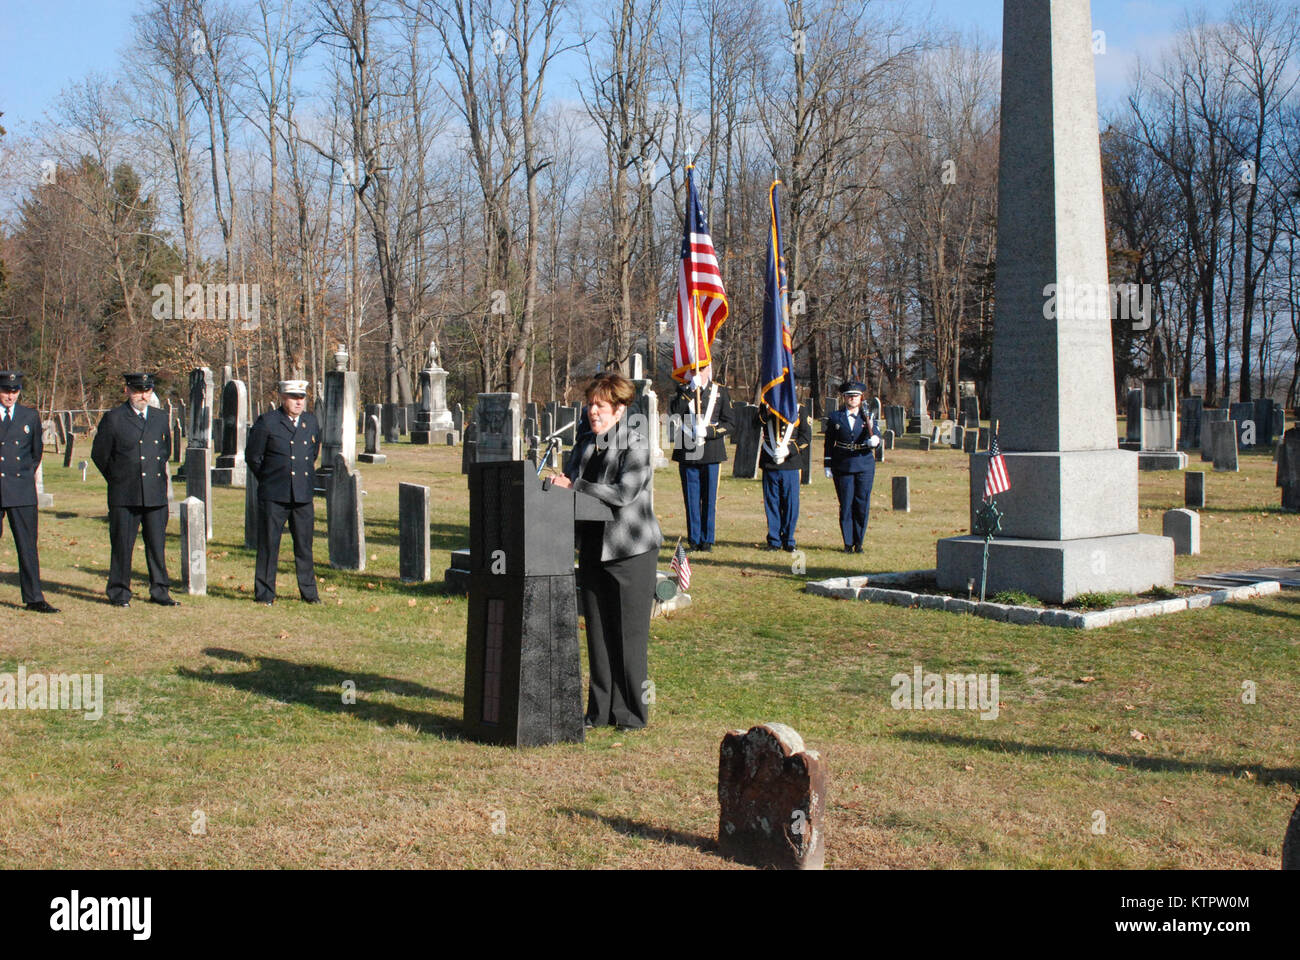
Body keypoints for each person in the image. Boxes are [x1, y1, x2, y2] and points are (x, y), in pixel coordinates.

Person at [551, 373, 661, 731]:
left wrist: (576, 485)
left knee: (628, 638)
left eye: (599, 405)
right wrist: (555, 487)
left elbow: (622, 494)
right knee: (598, 636)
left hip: (630, 552)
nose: (592, 411)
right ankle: (599, 712)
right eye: (590, 404)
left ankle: (631, 714)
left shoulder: (637, 442)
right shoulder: (584, 442)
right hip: (593, 549)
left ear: (620, 408)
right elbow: (568, 486)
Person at [91, 372, 178, 607]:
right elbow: (100, 454)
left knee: (156, 545)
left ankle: (160, 591)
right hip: (125, 494)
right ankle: (119, 592)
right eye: (138, 390)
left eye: (147, 390)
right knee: (122, 545)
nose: (143, 395)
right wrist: (118, 478)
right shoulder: (114, 418)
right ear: (127, 390)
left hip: (154, 492)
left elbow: (164, 452)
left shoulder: (160, 417)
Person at [245, 380, 322, 605]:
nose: (298, 402)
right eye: (293, 397)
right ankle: (265, 594)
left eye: (301, 397)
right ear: (282, 397)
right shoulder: (267, 422)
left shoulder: (310, 422)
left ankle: (309, 593)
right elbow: (253, 457)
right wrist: (271, 478)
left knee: (305, 547)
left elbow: (312, 454)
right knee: (269, 545)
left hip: (302, 495)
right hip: (274, 495)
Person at [0, 370, 57, 613]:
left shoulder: (29, 416)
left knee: (27, 546)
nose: (10, 396)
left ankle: (34, 597)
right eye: (5, 391)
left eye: (14, 391)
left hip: (21, 489)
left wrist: (22, 476)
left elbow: (35, 453)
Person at [669, 377, 735, 551]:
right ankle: (694, 539)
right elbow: (675, 412)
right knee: (691, 499)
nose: (697, 370)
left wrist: (709, 431)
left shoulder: (720, 391)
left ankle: (707, 540)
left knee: (709, 498)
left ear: (709, 369)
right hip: (688, 451)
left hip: (712, 451)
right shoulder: (683, 390)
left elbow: (730, 423)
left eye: (702, 367)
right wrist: (689, 391)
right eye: (694, 367)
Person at [824, 380, 881, 553]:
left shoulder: (867, 416)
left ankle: (859, 542)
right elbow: (828, 443)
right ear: (844, 398)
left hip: (864, 463)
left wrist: (875, 441)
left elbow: (876, 436)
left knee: (862, 503)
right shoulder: (835, 417)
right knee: (846, 504)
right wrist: (827, 464)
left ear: (860, 397)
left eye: (855, 396)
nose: (852, 399)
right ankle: (848, 543)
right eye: (849, 396)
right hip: (842, 464)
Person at [755, 402, 811, 551]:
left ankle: (789, 539)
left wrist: (790, 450)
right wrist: (766, 412)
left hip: (790, 463)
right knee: (772, 503)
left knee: (790, 503)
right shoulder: (767, 404)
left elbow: (805, 437)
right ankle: (774, 540)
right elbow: (755, 425)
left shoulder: (800, 409)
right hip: (770, 460)